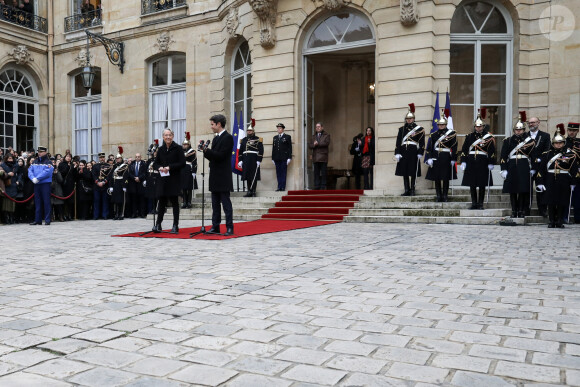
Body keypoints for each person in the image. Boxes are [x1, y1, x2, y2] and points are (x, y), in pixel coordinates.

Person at [536, 125, 579, 228]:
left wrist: (573, 182)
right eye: (556, 143)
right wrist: (540, 182)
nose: (558, 145)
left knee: (561, 201)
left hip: (564, 179)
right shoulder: (547, 154)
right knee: (550, 201)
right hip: (550, 179)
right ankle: (551, 220)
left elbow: (574, 170)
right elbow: (541, 170)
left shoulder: (570, 155)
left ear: (563, 143)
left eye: (560, 143)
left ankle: (559, 220)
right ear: (553, 143)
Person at [500, 112, 537, 218]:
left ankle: (521, 210)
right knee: (512, 190)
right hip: (512, 166)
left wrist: (533, 168)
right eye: (516, 129)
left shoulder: (529, 141)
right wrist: (504, 169)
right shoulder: (508, 141)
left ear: (524, 130)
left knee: (522, 190)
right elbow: (503, 156)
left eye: (520, 129)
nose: (518, 131)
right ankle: (514, 210)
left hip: (524, 165)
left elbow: (533, 155)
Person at [202, 114, 234, 236]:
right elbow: (213, 157)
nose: (211, 127)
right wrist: (205, 151)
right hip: (214, 174)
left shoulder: (228, 138)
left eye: (212, 124)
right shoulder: (215, 139)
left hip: (223, 175)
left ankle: (230, 227)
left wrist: (208, 151)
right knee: (215, 203)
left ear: (219, 124)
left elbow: (221, 156)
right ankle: (215, 226)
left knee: (226, 203)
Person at [459, 110, 496, 209]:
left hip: (483, 162)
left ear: (483, 127)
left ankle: (480, 203)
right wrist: (463, 161)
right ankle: (474, 203)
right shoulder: (469, 136)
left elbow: (492, 150)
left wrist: (491, 162)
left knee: (482, 184)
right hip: (471, 161)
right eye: (476, 126)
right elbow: (464, 149)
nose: (478, 128)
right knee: (472, 184)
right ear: (474, 127)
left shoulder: (488, 137)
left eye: (480, 126)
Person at [153, 128, 185, 234]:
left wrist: (169, 167)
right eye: (166, 135)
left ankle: (175, 225)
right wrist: (160, 168)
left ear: (173, 136)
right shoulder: (161, 149)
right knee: (161, 202)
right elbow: (155, 163)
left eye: (169, 135)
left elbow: (182, 163)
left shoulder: (178, 148)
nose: (168, 137)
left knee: (175, 202)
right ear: (163, 137)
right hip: (162, 179)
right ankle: (158, 224)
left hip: (173, 179)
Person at [425, 111, 457, 202]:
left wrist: (453, 158)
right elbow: (430, 147)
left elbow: (454, 147)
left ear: (446, 125)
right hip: (436, 157)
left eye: (442, 125)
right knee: (437, 178)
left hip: (446, 157)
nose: (441, 126)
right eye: (439, 125)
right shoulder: (434, 134)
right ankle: (438, 195)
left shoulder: (451, 134)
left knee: (445, 178)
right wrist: (429, 157)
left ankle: (445, 196)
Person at [395, 103, 425, 196]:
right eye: (407, 119)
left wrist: (420, 152)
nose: (408, 120)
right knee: (404, 171)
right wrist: (397, 153)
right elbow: (398, 141)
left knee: (412, 171)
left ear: (413, 119)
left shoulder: (419, 129)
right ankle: (406, 190)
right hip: (404, 151)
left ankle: (412, 190)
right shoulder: (402, 129)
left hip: (413, 151)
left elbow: (422, 143)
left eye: (410, 118)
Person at [527, 116, 551, 217]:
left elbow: (547, 150)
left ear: (538, 123)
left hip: (540, 165)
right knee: (527, 188)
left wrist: (540, 160)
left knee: (541, 188)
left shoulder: (545, 136)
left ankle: (542, 210)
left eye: (533, 122)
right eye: (529, 123)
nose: (531, 124)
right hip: (527, 165)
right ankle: (526, 209)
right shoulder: (525, 135)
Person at [28, 146, 53, 225]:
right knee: (37, 202)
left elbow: (47, 172)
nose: (39, 153)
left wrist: (37, 178)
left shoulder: (48, 162)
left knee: (46, 202)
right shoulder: (35, 161)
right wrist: (32, 178)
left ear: (45, 152)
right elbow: (30, 170)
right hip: (37, 184)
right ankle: (38, 220)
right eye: (38, 152)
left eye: (41, 152)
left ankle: (47, 220)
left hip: (45, 184)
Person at [239, 122, 264, 197]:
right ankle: (249, 191)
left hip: (254, 159)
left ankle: (253, 191)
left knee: (254, 176)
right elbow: (240, 151)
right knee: (247, 176)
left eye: (250, 131)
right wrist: (240, 160)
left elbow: (261, 150)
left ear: (253, 131)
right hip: (246, 159)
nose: (249, 132)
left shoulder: (258, 139)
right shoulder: (243, 140)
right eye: (248, 131)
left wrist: (259, 160)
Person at [309, 122, 330, 190]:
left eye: (319, 127)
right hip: (315, 157)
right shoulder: (313, 136)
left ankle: (323, 186)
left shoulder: (326, 135)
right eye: (316, 127)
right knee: (316, 173)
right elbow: (310, 145)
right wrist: (314, 145)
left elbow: (326, 143)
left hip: (323, 157)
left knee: (323, 172)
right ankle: (316, 186)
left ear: (322, 127)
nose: (317, 128)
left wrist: (317, 143)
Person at [566, 122, 580, 223]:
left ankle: (578, 218)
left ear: (577, 131)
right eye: (570, 130)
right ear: (567, 130)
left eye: (574, 131)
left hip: (578, 172)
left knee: (578, 197)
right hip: (565, 171)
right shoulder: (562, 142)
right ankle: (564, 217)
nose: (572, 132)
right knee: (565, 196)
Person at [272, 123, 292, 191]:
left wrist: (289, 157)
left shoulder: (287, 137)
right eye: (278, 128)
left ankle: (283, 187)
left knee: (283, 172)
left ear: (283, 129)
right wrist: (273, 158)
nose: (279, 129)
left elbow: (289, 148)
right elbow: (273, 148)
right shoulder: (275, 137)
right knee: (278, 173)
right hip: (277, 158)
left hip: (284, 158)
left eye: (280, 128)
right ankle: (279, 186)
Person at [92, 152, 112, 220]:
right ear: (99, 158)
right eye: (100, 158)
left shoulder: (108, 166)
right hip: (97, 186)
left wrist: (104, 182)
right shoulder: (95, 166)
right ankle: (96, 215)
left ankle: (105, 215)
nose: (102, 159)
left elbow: (109, 176)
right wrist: (97, 182)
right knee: (96, 201)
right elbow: (93, 175)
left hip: (105, 186)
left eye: (103, 157)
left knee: (105, 201)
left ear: (104, 158)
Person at [180, 132, 197, 208]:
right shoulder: (180, 152)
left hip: (189, 169)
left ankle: (189, 202)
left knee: (189, 187)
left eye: (186, 144)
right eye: (183, 144)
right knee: (183, 187)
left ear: (189, 145)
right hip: (182, 170)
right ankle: (184, 202)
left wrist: (194, 171)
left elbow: (194, 162)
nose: (184, 146)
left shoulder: (192, 151)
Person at [128, 152, 147, 218]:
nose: (137, 158)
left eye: (138, 157)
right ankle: (134, 213)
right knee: (134, 199)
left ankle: (142, 213)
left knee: (141, 199)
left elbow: (145, 173)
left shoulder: (143, 164)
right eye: (136, 157)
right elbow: (129, 173)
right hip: (133, 183)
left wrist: (139, 178)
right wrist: (134, 178)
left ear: (140, 157)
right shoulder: (132, 164)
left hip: (140, 183)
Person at [111, 151, 128, 221]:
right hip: (115, 183)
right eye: (117, 158)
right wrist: (111, 186)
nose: (118, 159)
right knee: (115, 200)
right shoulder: (114, 166)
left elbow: (126, 176)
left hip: (121, 184)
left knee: (121, 200)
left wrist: (125, 185)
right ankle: (116, 214)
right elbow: (111, 176)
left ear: (121, 159)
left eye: (119, 158)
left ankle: (122, 214)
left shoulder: (125, 166)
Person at [0, 154, 18, 224]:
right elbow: (2, 175)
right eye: (9, 158)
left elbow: (19, 174)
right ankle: (6, 218)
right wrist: (8, 174)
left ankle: (11, 217)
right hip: (6, 186)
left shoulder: (16, 166)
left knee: (12, 204)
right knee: (6, 204)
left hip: (13, 185)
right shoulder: (3, 166)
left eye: (11, 159)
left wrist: (18, 181)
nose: (10, 160)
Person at [58, 153, 75, 220]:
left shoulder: (72, 165)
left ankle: (70, 215)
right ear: (65, 157)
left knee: (70, 201)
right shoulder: (62, 164)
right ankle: (64, 215)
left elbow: (74, 175)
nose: (69, 158)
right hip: (64, 185)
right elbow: (62, 173)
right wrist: (68, 167)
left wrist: (75, 169)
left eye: (70, 157)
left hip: (71, 185)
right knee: (64, 201)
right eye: (67, 156)